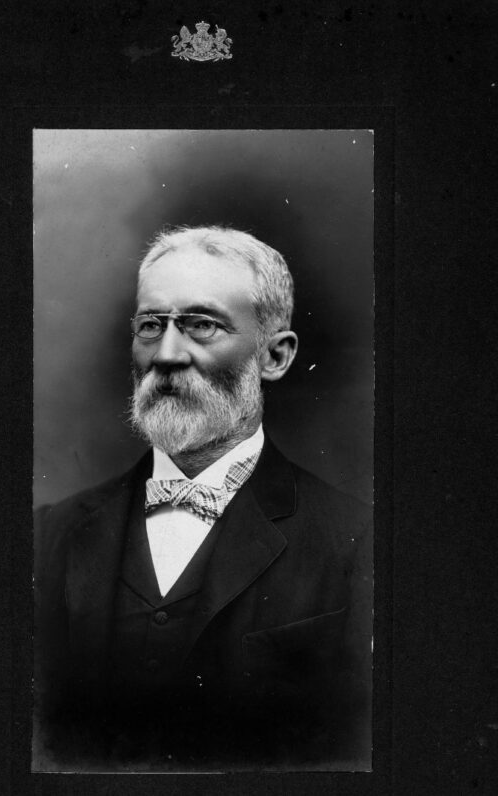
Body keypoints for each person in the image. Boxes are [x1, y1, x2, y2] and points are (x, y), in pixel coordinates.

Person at [33, 226, 372, 772]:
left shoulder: (359, 542)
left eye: (202, 325)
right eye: (151, 325)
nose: (166, 354)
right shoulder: (47, 535)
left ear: (275, 356)